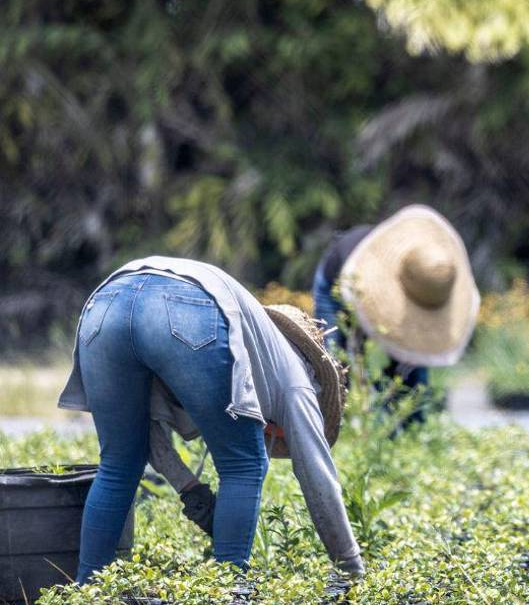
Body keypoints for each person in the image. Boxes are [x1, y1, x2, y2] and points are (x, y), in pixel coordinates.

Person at [57, 257, 363, 583]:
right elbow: (317, 474)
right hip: (186, 306)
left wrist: (191, 490)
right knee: (243, 464)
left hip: (106, 302)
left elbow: (149, 438)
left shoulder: (255, 345)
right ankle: (226, 594)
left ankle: (87, 596)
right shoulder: (299, 380)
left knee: (118, 465)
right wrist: (350, 566)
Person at [311, 206, 480, 421]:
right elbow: (356, 342)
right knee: (334, 367)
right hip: (335, 286)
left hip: (391, 287)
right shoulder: (371, 277)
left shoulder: (432, 276)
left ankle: (412, 426)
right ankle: (329, 427)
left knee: (414, 370)